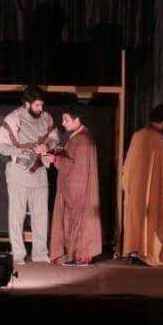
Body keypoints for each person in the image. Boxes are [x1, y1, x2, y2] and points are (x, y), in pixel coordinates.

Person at [0, 85, 54, 263]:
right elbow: (1, 146)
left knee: (41, 215)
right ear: (27, 104)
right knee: (17, 214)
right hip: (19, 171)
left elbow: (55, 138)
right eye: (37, 105)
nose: (40, 108)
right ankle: (18, 253)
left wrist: (46, 146)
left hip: (40, 171)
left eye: (41, 105)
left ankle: (40, 253)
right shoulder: (13, 118)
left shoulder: (46, 118)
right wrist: (21, 152)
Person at [121, 104, 163, 266]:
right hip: (155, 192)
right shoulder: (162, 142)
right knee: (153, 220)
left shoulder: (137, 136)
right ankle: (149, 252)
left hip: (136, 191)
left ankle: (135, 251)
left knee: (136, 220)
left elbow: (127, 166)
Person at [48, 109, 102, 266]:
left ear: (77, 119)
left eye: (66, 120)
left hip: (78, 189)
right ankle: (77, 255)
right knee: (77, 220)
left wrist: (55, 159)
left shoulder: (82, 139)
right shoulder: (81, 137)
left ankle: (80, 255)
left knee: (78, 220)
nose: (63, 123)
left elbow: (77, 167)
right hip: (79, 187)